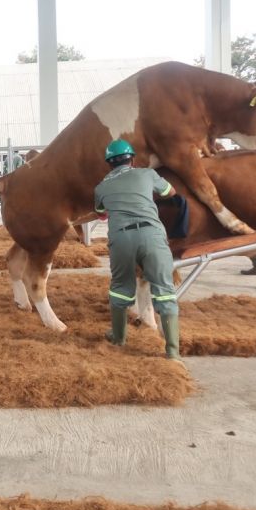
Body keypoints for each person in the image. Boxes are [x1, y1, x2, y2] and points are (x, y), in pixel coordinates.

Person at [94, 139, 182, 362]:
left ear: (109, 164)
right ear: (131, 159)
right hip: (152, 235)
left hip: (121, 238)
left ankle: (119, 338)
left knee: (121, 288)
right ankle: (172, 351)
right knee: (164, 289)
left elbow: (101, 214)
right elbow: (170, 192)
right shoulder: (146, 174)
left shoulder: (101, 187)